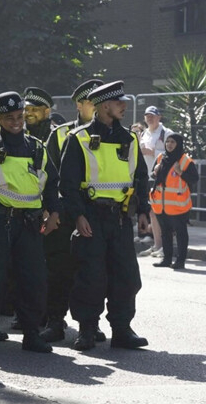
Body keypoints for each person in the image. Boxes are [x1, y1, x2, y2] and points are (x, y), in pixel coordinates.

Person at [0, 91, 60, 355]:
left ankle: (31, 334)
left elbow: (51, 184)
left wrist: (54, 212)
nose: (16, 122)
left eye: (19, 117)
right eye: (9, 118)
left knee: (33, 280)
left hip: (29, 224)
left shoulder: (36, 147)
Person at [60, 80, 150, 351]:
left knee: (126, 276)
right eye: (119, 103)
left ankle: (122, 330)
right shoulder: (79, 139)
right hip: (91, 217)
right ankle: (87, 330)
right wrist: (77, 216)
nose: (124, 106)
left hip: (120, 218)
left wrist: (143, 210)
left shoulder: (130, 139)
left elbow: (141, 178)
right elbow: (67, 183)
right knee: (91, 275)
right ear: (104, 106)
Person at [42, 79, 107, 344]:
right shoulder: (61, 134)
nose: (97, 108)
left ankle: (90, 324)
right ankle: (55, 321)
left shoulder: (112, 134)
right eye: (93, 103)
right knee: (59, 270)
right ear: (79, 105)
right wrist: (54, 211)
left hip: (95, 214)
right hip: (67, 214)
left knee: (93, 273)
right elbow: (49, 174)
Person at [150, 134, 199, 269]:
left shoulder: (185, 160)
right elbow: (155, 176)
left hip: (178, 205)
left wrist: (181, 172)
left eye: (173, 142)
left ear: (179, 144)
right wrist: (155, 172)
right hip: (162, 205)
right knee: (165, 233)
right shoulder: (161, 158)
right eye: (168, 142)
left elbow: (194, 179)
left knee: (181, 233)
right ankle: (166, 259)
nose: (169, 144)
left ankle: (180, 261)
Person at [137, 105, 172, 257]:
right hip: (147, 178)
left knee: (163, 213)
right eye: (147, 115)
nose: (149, 118)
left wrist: (153, 152)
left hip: (161, 178)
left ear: (159, 117)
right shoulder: (144, 133)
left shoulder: (166, 133)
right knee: (152, 213)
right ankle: (157, 245)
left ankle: (166, 246)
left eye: (152, 115)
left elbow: (173, 152)